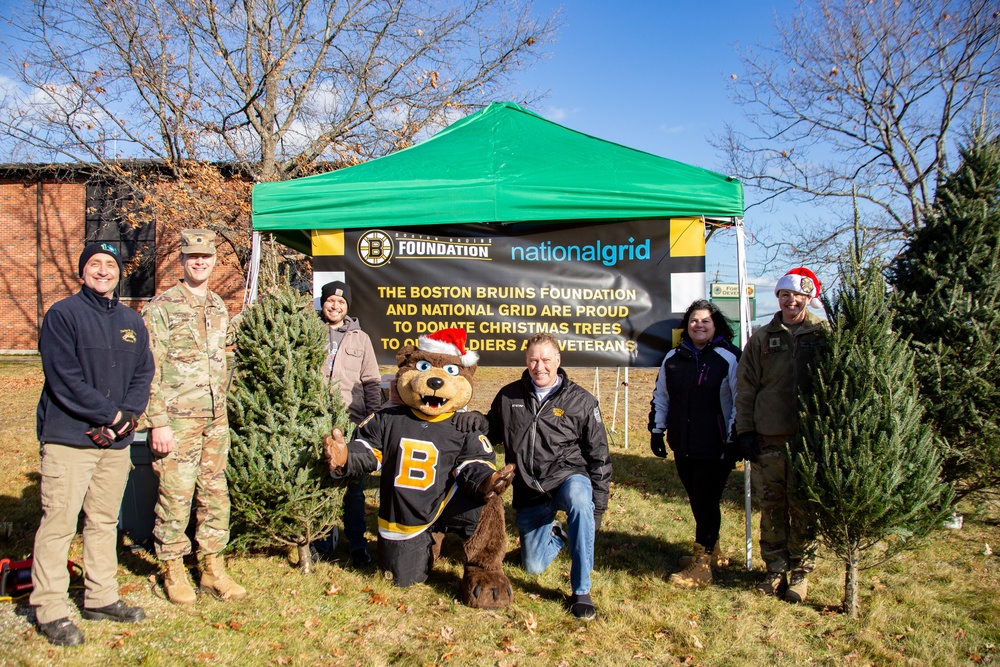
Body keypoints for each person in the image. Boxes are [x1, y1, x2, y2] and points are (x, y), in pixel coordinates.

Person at [31, 242, 154, 646]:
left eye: (110, 265)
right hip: (69, 438)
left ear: (119, 274)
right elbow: (64, 378)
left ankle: (100, 597)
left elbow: (143, 374)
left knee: (103, 522)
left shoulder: (131, 322)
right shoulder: (62, 315)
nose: (103, 271)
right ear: (82, 271)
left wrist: (127, 418)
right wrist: (110, 416)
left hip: (114, 443)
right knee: (60, 523)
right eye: (95, 264)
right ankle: (50, 607)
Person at [457, 333, 612, 620]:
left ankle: (581, 590)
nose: (539, 367)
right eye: (533, 360)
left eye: (545, 360)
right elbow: (492, 431)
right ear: (526, 361)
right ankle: (560, 533)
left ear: (558, 361)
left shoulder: (581, 401)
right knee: (533, 565)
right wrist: (477, 422)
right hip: (529, 490)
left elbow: (599, 457)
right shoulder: (509, 395)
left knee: (580, 502)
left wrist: (597, 507)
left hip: (567, 478)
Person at [142, 229, 246, 604]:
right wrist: (158, 422)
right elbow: (148, 368)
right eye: (192, 257)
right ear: (182, 261)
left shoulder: (218, 305)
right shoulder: (161, 307)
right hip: (178, 420)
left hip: (215, 419)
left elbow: (221, 346)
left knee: (215, 493)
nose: (199, 262)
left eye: (205, 257)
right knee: (176, 494)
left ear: (214, 261)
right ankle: (172, 569)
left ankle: (212, 568)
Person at [735, 266, 829, 603]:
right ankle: (775, 569)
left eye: (798, 295)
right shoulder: (762, 337)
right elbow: (746, 387)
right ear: (778, 298)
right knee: (772, 506)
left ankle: (801, 574)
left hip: (809, 440)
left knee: (804, 508)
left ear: (808, 298)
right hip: (768, 438)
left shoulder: (823, 334)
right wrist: (744, 430)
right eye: (785, 294)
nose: (791, 301)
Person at [648, 299, 740, 588]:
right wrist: (656, 430)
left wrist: (734, 439)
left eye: (705, 321)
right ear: (686, 326)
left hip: (716, 445)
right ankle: (711, 551)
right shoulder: (673, 358)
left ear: (716, 326)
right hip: (683, 444)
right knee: (699, 501)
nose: (699, 325)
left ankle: (702, 566)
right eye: (694, 321)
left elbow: (740, 401)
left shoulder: (729, 358)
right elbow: (661, 395)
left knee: (706, 501)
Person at [315, 279, 381, 567]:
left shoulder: (360, 338)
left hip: (350, 421)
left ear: (347, 307)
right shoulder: (309, 331)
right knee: (320, 483)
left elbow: (371, 381)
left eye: (341, 302)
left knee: (354, 488)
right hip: (314, 420)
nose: (335, 305)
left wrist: (372, 418)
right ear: (323, 302)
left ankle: (357, 545)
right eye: (331, 300)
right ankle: (321, 541)